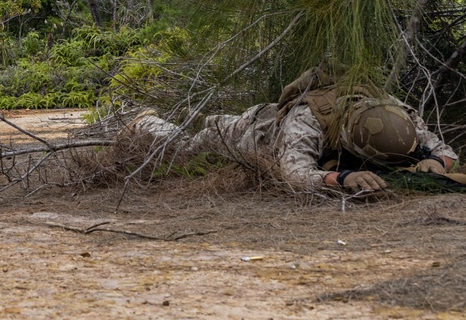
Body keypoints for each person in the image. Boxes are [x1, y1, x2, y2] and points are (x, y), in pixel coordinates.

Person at [135, 67, 459, 193]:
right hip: (254, 133)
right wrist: (342, 178)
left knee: (199, 129)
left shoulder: (393, 111)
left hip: (274, 124)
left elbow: (443, 150)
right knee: (190, 147)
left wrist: (438, 164)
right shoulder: (308, 120)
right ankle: (146, 121)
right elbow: (294, 172)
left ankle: (193, 115)